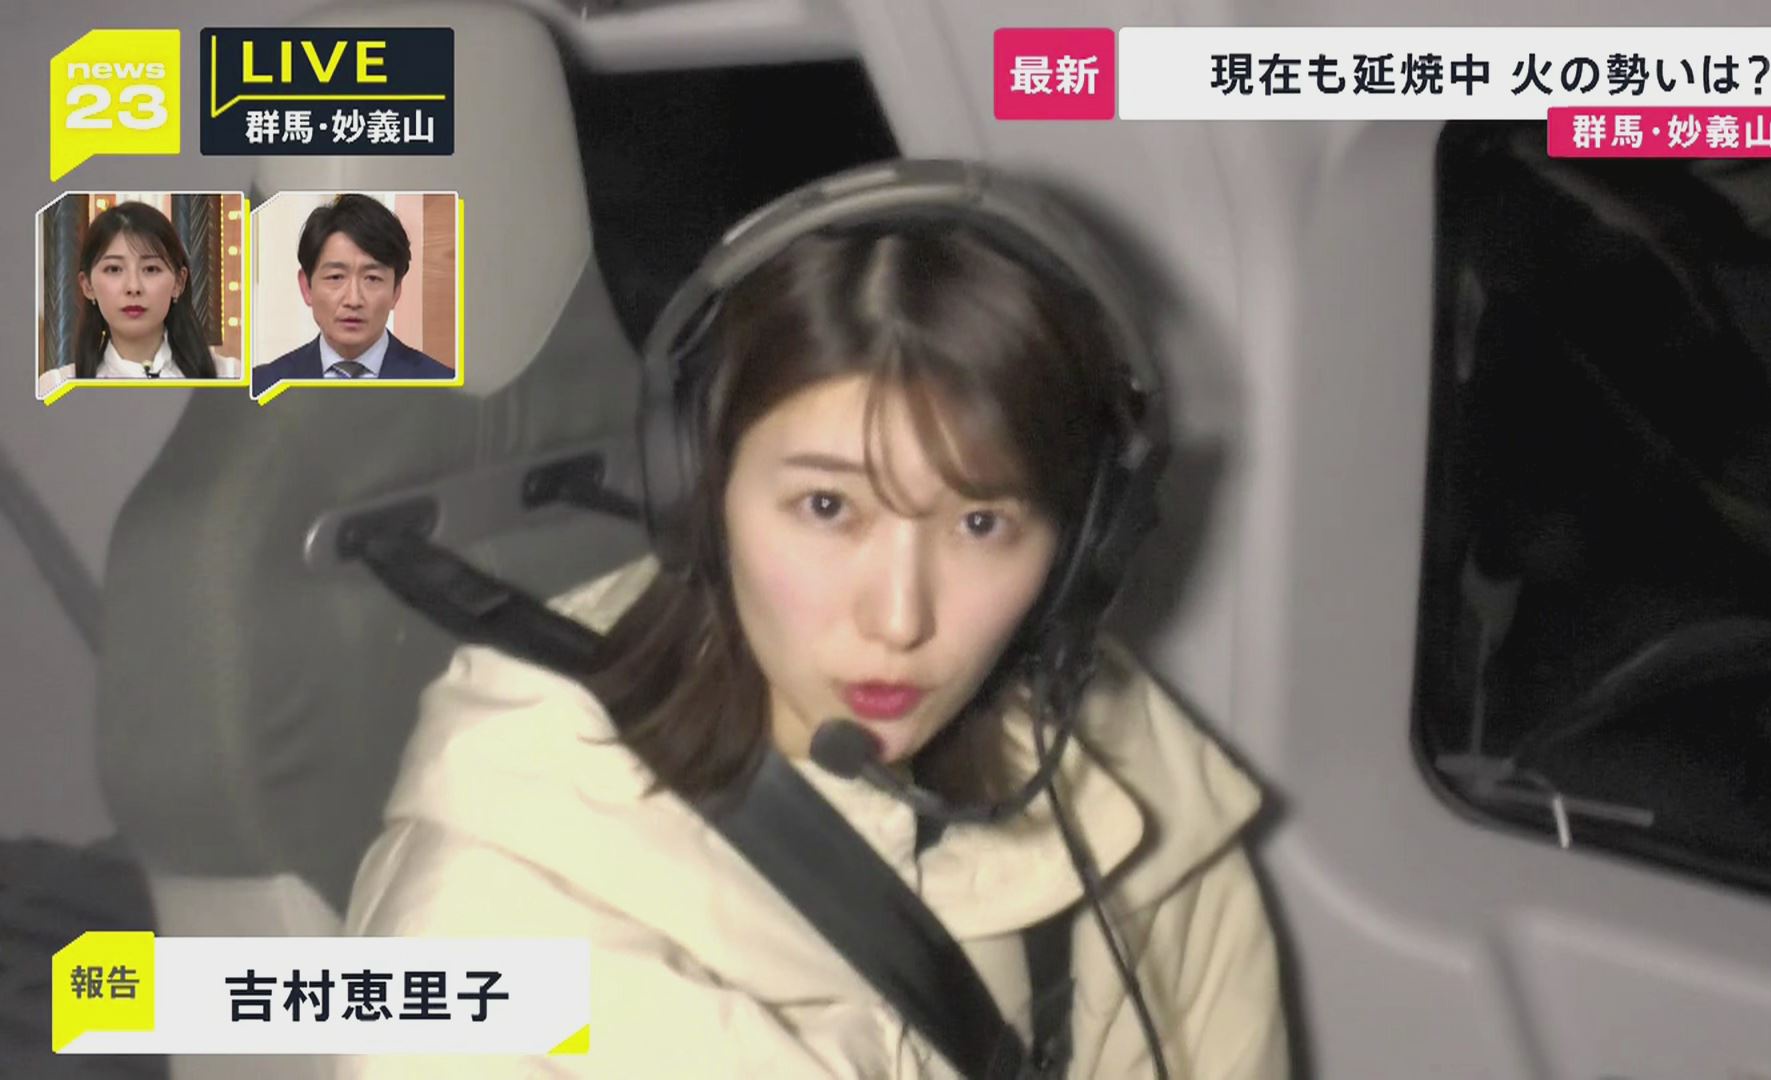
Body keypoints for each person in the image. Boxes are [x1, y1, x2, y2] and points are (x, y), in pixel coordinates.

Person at [338, 163, 1288, 1078]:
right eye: (828, 507)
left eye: (981, 523)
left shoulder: (1133, 804)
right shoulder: (484, 937)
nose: (900, 620)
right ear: (700, 495)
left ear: (1081, 550)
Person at [250, 193, 453, 394]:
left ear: (396, 290)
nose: (353, 300)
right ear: (306, 287)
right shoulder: (263, 386)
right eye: (336, 277)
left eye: (372, 278)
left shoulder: (442, 389)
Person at [37, 200, 241, 396]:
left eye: (151, 269)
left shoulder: (230, 377)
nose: (133, 287)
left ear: (179, 282)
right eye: (114, 269)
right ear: (87, 285)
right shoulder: (57, 388)